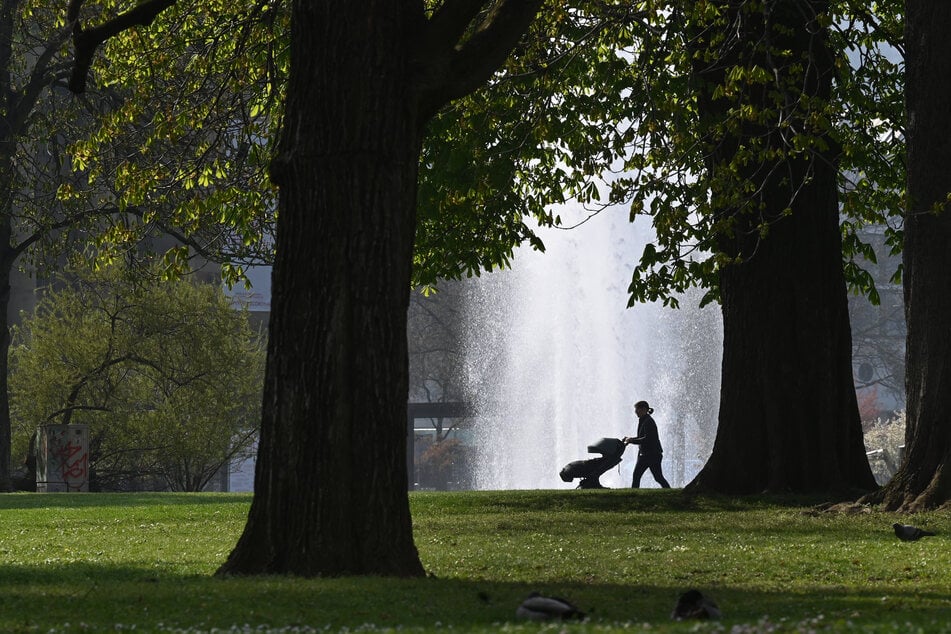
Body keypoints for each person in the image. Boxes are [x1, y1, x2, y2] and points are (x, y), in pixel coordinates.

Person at [623, 400, 671, 488]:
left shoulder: (649, 422)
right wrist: (629, 439)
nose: (636, 412)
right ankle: (634, 494)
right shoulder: (644, 420)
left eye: (638, 409)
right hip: (646, 455)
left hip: (652, 455)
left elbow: (647, 439)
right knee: (638, 476)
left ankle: (668, 490)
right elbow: (641, 437)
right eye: (636, 410)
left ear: (644, 409)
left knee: (657, 477)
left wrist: (631, 440)